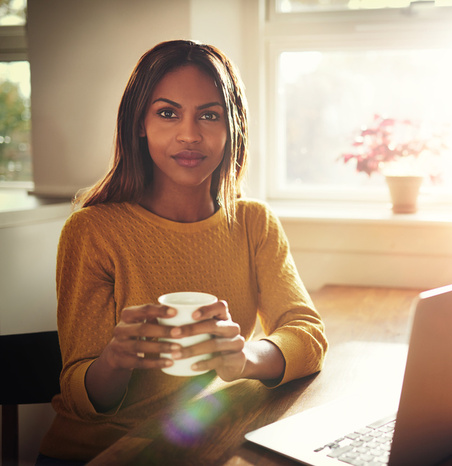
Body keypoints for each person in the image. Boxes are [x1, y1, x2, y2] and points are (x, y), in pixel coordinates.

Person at [37, 40, 328, 465]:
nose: (189, 135)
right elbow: (82, 395)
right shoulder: (92, 231)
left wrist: (245, 359)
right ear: (140, 122)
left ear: (232, 128)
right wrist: (114, 360)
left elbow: (308, 333)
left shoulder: (253, 223)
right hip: (98, 452)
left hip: (202, 444)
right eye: (167, 113)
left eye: (209, 115)